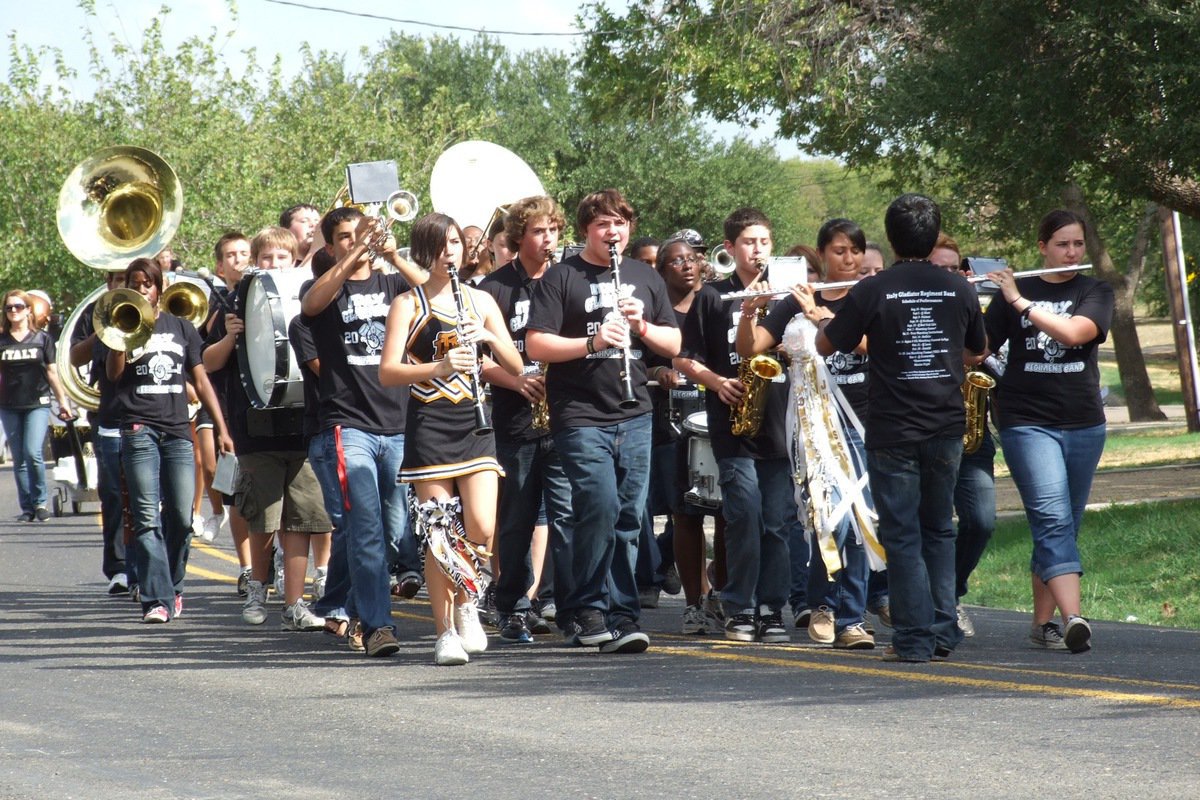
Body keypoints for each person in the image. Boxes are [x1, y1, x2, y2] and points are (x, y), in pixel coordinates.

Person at [810, 193, 985, 662]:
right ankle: (944, 631)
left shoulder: (873, 289)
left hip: (893, 429)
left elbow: (828, 346)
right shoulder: (960, 288)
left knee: (903, 534)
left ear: (890, 237)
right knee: (939, 530)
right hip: (946, 424)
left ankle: (912, 639)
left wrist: (823, 319)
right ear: (933, 236)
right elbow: (976, 351)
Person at [526, 188, 680, 654]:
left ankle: (621, 612)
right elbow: (536, 345)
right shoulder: (561, 277)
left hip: (635, 412)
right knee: (598, 505)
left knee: (631, 515)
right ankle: (589, 607)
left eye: (620, 223)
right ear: (586, 230)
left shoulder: (644, 276)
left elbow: (672, 344)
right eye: (602, 225)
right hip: (580, 413)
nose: (613, 232)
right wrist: (591, 343)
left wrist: (643, 328)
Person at [380, 212, 523, 664]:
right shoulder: (408, 303)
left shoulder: (480, 299)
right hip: (430, 424)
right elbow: (388, 372)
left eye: (456, 243)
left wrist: (488, 338)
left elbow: (517, 367)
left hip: (476, 424)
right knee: (439, 531)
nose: (450, 252)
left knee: (481, 525)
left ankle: (467, 599)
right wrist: (438, 368)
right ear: (424, 251)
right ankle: (444, 633)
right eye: (440, 245)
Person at [741, 219, 878, 650]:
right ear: (822, 255)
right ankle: (822, 603)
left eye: (855, 251)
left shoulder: (869, 297)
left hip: (862, 423)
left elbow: (873, 345)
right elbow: (751, 347)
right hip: (813, 427)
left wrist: (824, 318)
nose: (849, 259)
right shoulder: (797, 298)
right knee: (827, 518)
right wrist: (749, 314)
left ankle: (852, 618)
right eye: (839, 251)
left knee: (860, 521)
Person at [985, 209, 1113, 654]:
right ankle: (1074, 617)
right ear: (1042, 247)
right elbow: (976, 348)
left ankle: (1042, 625)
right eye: (1062, 244)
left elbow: (1077, 333)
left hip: (1084, 423)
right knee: (1052, 518)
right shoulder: (1011, 291)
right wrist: (965, 295)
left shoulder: (1094, 289)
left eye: (1078, 244)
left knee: (1062, 525)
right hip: (1027, 421)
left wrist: (1019, 301)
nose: (1072, 252)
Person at [300, 205, 426, 657]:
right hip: (347, 425)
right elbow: (311, 305)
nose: (357, 242)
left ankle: (352, 610)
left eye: (362, 234)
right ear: (331, 246)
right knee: (366, 527)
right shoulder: (325, 290)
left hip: (399, 423)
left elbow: (434, 295)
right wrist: (352, 259)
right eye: (347, 237)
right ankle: (378, 626)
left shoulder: (394, 283)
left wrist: (394, 255)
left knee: (392, 533)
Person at [203, 227, 332, 631]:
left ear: (295, 261)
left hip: (304, 425)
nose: (273, 265)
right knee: (263, 516)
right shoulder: (235, 299)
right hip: (257, 428)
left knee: (304, 518)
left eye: (281, 258)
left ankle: (294, 601)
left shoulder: (309, 297)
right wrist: (230, 336)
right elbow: (207, 362)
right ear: (253, 263)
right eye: (266, 259)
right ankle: (259, 586)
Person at [675, 208, 794, 645]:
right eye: (748, 242)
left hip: (779, 420)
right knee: (742, 513)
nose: (757, 249)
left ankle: (771, 607)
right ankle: (739, 605)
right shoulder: (712, 297)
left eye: (764, 241)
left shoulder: (786, 295)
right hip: (733, 422)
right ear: (730, 248)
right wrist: (716, 381)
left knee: (777, 521)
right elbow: (684, 358)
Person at [107, 259, 232, 623]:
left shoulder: (181, 327)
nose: (142, 289)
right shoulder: (120, 324)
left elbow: (202, 380)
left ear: (159, 287)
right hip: (137, 428)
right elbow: (114, 376)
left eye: (148, 283)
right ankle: (156, 599)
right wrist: (119, 337)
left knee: (179, 516)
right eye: (135, 283)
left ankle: (174, 586)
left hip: (177, 429)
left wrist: (222, 429)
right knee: (146, 518)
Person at [477, 196, 574, 644]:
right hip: (515, 418)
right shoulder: (493, 288)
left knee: (568, 516)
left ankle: (572, 607)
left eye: (553, 230)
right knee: (515, 520)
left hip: (566, 417)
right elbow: (476, 361)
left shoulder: (567, 280)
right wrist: (516, 381)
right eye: (538, 231)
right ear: (519, 236)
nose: (548, 239)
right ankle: (512, 604)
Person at [647, 234, 721, 634]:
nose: (688, 265)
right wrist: (658, 372)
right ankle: (692, 603)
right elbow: (637, 365)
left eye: (693, 259)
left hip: (717, 418)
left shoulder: (714, 302)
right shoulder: (654, 312)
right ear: (662, 271)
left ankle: (719, 590)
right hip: (671, 425)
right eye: (677, 261)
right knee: (684, 515)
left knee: (727, 513)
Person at [929, 232, 998, 638]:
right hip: (925, 429)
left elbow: (983, 350)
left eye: (953, 269)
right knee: (929, 523)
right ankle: (931, 604)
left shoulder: (972, 304)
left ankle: (950, 593)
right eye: (938, 268)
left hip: (970, 428)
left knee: (981, 520)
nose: (947, 276)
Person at [69, 271, 131, 591]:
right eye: (118, 279)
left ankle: (152, 566)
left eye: (129, 278)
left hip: (152, 414)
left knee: (150, 494)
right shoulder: (94, 312)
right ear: (109, 283)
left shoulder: (156, 311)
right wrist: (102, 329)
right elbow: (75, 355)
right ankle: (120, 567)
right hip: (108, 412)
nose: (123, 284)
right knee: (112, 491)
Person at [0, 290, 74, 522]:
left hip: (38, 403)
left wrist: (63, 402)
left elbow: (52, 373)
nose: (14, 311)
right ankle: (28, 507)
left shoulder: (42, 339)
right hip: (9, 404)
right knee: (19, 457)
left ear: (29, 310)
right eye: (9, 307)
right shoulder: (2, 340)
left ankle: (40, 502)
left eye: (19, 306)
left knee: (33, 452)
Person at [280, 203, 321, 269]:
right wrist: (315, 248)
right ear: (286, 230)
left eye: (317, 222)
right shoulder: (280, 263)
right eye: (304, 221)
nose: (314, 225)